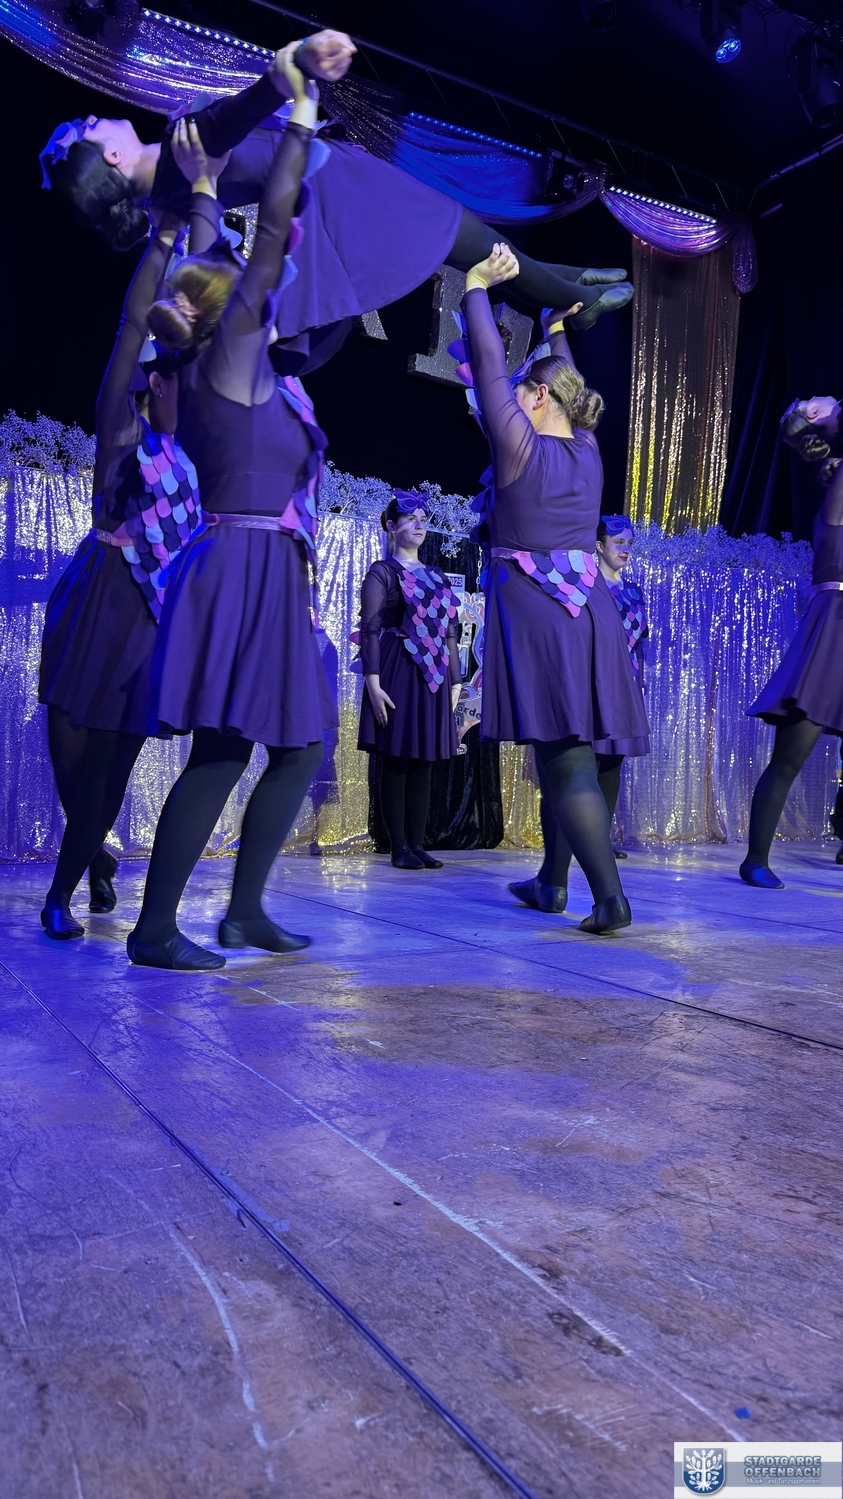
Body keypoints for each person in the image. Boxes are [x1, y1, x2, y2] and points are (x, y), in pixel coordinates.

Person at [127, 46, 335, 971]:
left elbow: (212, 269)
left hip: (256, 567)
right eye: (255, 279)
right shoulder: (234, 349)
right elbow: (274, 223)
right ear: (237, 306)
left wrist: (208, 188)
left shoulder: (216, 353)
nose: (270, 279)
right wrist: (300, 115)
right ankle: (154, 929)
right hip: (244, 564)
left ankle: (244, 910)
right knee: (223, 749)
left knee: (295, 744)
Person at [39, 35, 632, 339]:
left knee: (466, 236)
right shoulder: (180, 145)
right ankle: (574, 303)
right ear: (112, 156)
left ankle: (573, 282)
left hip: (336, 188)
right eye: (88, 126)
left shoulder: (165, 197)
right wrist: (294, 66)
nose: (94, 117)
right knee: (465, 236)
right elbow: (239, 114)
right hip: (342, 197)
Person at [455, 249, 649, 932]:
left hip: (542, 610)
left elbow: (486, 365)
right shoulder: (587, 449)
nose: (509, 397)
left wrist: (475, 289)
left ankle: (610, 900)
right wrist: (555, 327)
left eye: (521, 391)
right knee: (564, 751)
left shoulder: (520, 449)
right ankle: (550, 882)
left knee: (566, 763)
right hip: (588, 609)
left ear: (537, 398)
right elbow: (569, 384)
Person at [37, 201, 204, 940]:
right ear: (155, 384)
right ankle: (95, 857)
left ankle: (60, 894)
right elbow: (132, 327)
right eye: (182, 386)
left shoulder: (199, 464)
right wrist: (163, 240)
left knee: (109, 762)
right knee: (71, 760)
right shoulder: (123, 432)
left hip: (148, 621)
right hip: (93, 599)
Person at [740, 395, 843, 888]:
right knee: (789, 757)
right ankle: (755, 859)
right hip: (833, 628)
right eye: (814, 401)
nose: (824, 395)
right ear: (816, 416)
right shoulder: (837, 494)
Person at [358, 492, 461, 869]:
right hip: (397, 667)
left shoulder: (436, 575)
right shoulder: (382, 572)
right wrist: (373, 682)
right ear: (391, 526)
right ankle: (398, 846)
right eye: (410, 518)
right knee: (397, 759)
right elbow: (369, 628)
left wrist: (455, 680)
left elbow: (450, 631)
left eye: (423, 518)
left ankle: (417, 844)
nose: (419, 524)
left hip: (433, 673)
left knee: (423, 760)